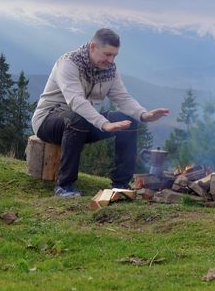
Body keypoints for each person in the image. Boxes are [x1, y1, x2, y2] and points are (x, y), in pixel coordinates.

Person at [32, 28, 169, 197]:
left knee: (129, 121)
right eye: (107, 54)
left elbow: (122, 98)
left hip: (83, 120)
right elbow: (76, 101)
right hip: (49, 120)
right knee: (78, 118)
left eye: (114, 56)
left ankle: (120, 184)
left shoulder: (109, 70)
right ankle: (64, 185)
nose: (111, 60)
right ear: (92, 47)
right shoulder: (68, 63)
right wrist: (104, 124)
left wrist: (143, 115)